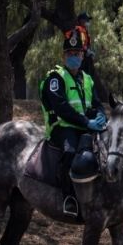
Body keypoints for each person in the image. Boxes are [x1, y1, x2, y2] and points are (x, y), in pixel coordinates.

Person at [39, 29, 107, 217]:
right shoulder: (55, 78)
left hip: (85, 125)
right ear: (63, 56)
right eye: (70, 54)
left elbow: (96, 103)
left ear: (83, 55)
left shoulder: (87, 79)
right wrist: (87, 122)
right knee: (70, 153)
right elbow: (62, 109)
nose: (74, 57)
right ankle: (69, 197)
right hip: (62, 127)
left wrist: (101, 116)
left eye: (77, 54)